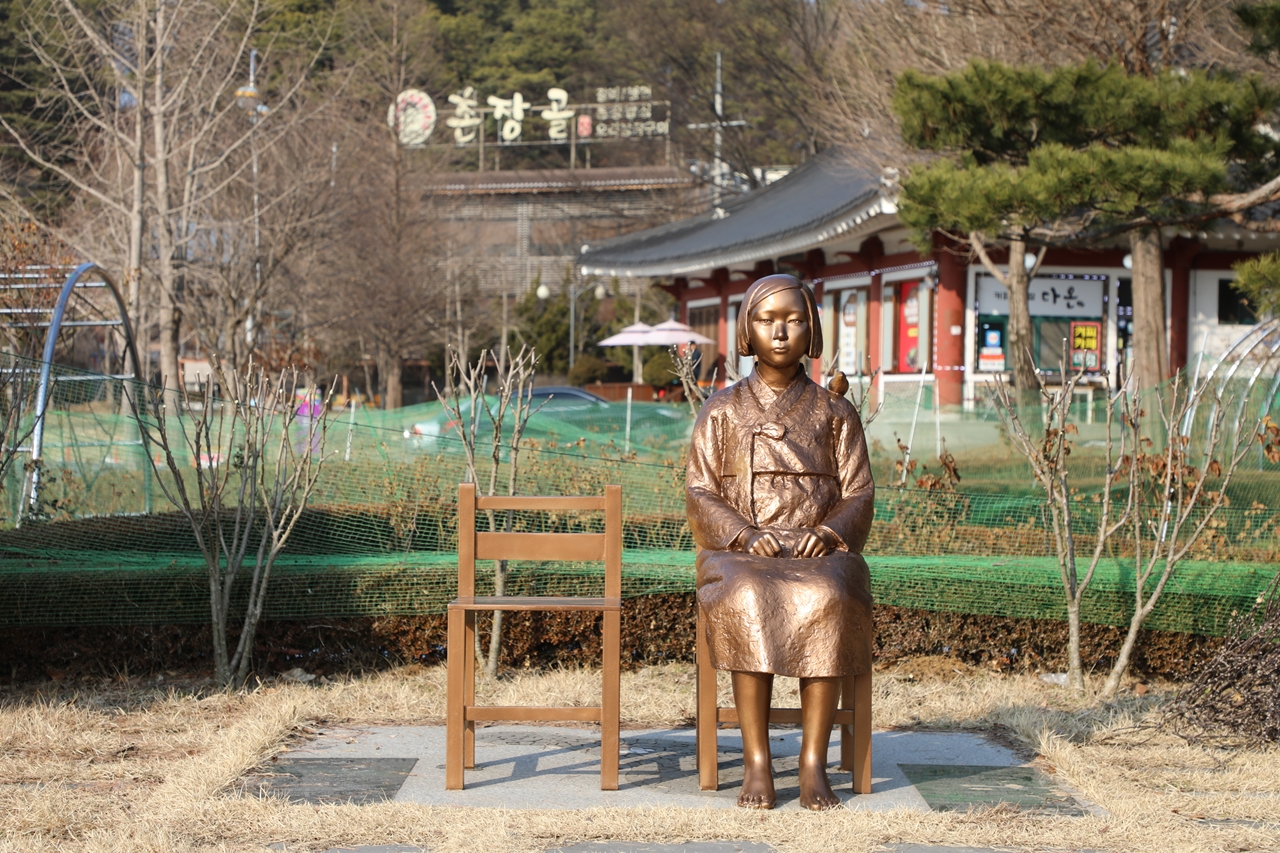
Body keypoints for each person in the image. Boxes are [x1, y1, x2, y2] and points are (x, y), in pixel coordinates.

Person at [685, 274, 874, 810]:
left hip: (819, 553)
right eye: (767, 320)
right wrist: (745, 533)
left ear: (811, 329)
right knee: (746, 595)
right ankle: (757, 761)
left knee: (829, 595)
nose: (781, 332)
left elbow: (859, 491)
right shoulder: (721, 409)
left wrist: (828, 532)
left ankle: (813, 763)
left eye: (793, 320)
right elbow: (699, 490)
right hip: (741, 553)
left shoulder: (835, 411)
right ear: (748, 330)